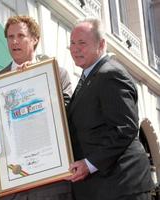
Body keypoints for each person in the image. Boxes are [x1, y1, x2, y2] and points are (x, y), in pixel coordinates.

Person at [66, 18, 154, 200]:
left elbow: (125, 129)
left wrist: (89, 164)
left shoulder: (110, 74)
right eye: (72, 43)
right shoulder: (90, 76)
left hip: (121, 185)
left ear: (101, 44)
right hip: (105, 187)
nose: (75, 48)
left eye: (82, 43)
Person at [0, 15, 73, 200]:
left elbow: (65, 113)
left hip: (50, 183)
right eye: (10, 37)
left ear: (35, 39)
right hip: (11, 186)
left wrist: (35, 77)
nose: (14, 41)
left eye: (21, 35)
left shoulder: (56, 73)